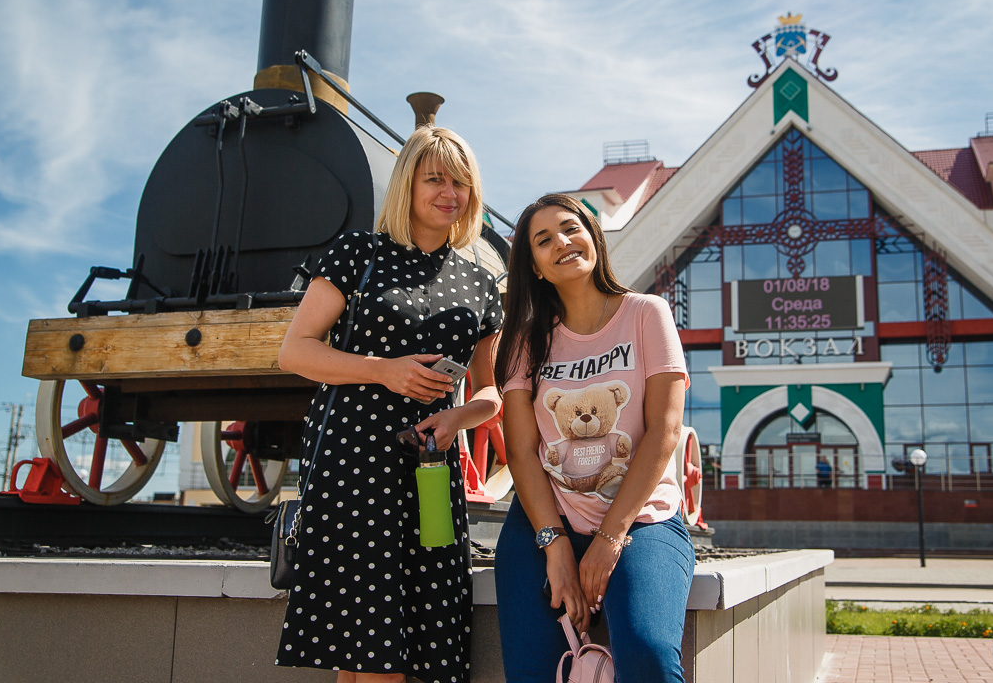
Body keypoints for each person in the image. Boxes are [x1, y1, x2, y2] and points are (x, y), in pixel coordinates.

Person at [274, 125, 503, 683]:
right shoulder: (358, 253)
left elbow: (491, 393)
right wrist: (384, 371)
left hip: (429, 469)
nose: (451, 193)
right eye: (436, 179)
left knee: (396, 645)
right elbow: (294, 352)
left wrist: (459, 415)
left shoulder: (480, 282)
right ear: (407, 184)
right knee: (365, 647)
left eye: (462, 182)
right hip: (351, 466)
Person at [493, 193, 695, 683]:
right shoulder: (524, 340)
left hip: (642, 517)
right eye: (544, 240)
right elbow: (521, 452)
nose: (562, 242)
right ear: (535, 267)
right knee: (530, 671)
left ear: (593, 237)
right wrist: (556, 547)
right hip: (546, 517)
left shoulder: (647, 313)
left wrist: (609, 540)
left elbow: (664, 432)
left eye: (571, 228)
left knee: (647, 654)